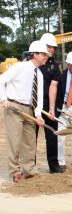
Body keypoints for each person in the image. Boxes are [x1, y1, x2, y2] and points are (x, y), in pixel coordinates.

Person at [0, 40, 48, 182]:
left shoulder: (39, 74)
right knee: (14, 141)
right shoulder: (20, 67)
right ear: (35, 54)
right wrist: (3, 99)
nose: (46, 56)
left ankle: (29, 170)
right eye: (43, 54)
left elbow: (38, 98)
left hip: (29, 109)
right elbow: (1, 80)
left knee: (30, 141)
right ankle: (14, 171)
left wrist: (38, 115)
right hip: (14, 107)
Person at [36, 32, 62, 174]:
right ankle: (30, 166)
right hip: (33, 106)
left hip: (48, 105)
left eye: (53, 47)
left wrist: (52, 108)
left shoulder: (55, 65)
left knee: (52, 136)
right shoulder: (32, 63)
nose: (52, 49)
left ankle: (54, 165)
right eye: (49, 46)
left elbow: (53, 87)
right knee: (30, 137)